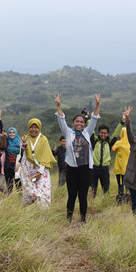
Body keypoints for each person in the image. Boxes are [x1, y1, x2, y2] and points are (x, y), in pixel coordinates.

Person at [55, 93, 101, 222]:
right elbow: (61, 119)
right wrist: (58, 105)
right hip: (72, 169)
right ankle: (69, 218)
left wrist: (97, 105)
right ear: (73, 123)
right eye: (77, 121)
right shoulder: (68, 132)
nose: (79, 123)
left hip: (86, 169)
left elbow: (94, 119)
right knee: (72, 195)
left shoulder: (87, 131)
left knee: (83, 195)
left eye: (81, 122)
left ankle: (83, 219)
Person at [20, 118, 56, 208]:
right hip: (27, 171)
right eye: (31, 127)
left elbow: (45, 157)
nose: (33, 129)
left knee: (43, 194)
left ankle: (42, 217)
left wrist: (39, 172)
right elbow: (23, 150)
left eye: (36, 127)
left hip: (41, 170)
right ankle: (26, 216)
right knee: (28, 194)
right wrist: (24, 145)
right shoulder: (26, 138)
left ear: (39, 128)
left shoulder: (43, 139)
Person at [90, 122, 123, 197]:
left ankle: (105, 202)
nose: (103, 135)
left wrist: (122, 122)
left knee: (106, 188)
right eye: (101, 133)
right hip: (94, 168)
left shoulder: (109, 142)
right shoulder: (94, 141)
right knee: (92, 188)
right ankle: (91, 203)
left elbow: (116, 133)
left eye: (105, 133)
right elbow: (91, 129)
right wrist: (88, 119)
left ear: (107, 134)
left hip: (105, 168)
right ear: (98, 133)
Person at [112, 124, 130, 203]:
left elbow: (113, 149)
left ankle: (120, 198)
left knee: (120, 184)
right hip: (129, 169)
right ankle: (128, 198)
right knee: (128, 185)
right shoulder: (131, 143)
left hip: (119, 168)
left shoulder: (119, 143)